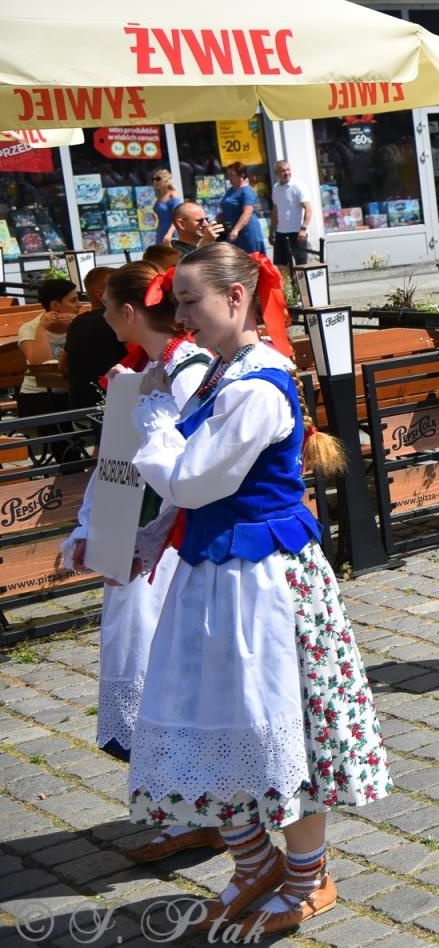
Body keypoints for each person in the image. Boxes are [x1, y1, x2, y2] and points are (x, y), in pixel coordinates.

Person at [127, 243, 388, 933]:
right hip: (218, 574)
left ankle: (308, 875)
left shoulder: (254, 386)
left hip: (262, 582)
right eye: (176, 303)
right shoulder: (223, 373)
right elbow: (193, 496)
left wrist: (149, 421)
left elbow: (190, 479)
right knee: (214, 716)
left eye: (190, 301)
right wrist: (148, 540)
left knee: (278, 721)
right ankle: (253, 864)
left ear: (235, 299)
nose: (180, 317)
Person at [59, 261, 219, 863]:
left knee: (179, 685)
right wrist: (93, 531)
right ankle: (189, 809)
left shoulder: (187, 372)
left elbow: (193, 471)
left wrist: (143, 536)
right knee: (156, 683)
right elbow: (115, 467)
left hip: (175, 554)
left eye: (106, 306)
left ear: (129, 312)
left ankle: (213, 813)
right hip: (138, 551)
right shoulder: (142, 374)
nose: (99, 315)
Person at [17, 277, 78, 448]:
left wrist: (77, 325)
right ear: (55, 305)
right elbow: (40, 364)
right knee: (57, 425)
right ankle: (71, 469)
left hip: (71, 390)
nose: (78, 305)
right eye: (73, 300)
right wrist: (42, 329)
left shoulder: (79, 324)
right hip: (37, 395)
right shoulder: (30, 328)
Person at [63, 266, 125, 411]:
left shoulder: (76, 323)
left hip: (79, 407)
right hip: (115, 406)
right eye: (117, 288)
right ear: (100, 294)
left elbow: (63, 365)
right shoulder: (116, 319)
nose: (124, 292)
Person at [269, 160, 312, 268]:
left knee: (301, 266)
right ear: (277, 174)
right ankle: (287, 285)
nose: (286, 173)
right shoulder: (276, 188)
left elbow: (308, 208)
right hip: (281, 232)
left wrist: (303, 229)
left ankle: (301, 285)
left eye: (288, 170)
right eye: (283, 171)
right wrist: (271, 231)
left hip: (296, 232)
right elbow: (275, 210)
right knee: (280, 266)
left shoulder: (297, 186)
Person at [219, 162, 267, 256]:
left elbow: (247, 213)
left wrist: (235, 230)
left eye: (232, 175)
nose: (229, 178)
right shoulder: (231, 190)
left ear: (242, 175)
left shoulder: (247, 191)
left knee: (251, 262)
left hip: (246, 233)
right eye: (228, 175)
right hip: (232, 232)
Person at [151, 169, 182, 244]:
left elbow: (177, 217)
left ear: (166, 180)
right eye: (153, 179)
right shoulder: (159, 196)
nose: (155, 181)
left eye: (158, 179)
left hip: (171, 232)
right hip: (161, 231)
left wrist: (169, 233)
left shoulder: (172, 194)